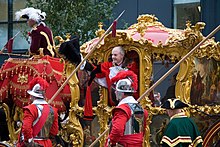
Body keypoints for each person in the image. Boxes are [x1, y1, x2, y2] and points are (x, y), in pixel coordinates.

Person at [105, 70, 148, 147]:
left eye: (116, 91)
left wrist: (112, 142)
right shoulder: (141, 108)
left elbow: (117, 130)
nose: (115, 93)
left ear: (121, 93)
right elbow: (143, 130)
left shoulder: (122, 109)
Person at [17, 77, 58, 147]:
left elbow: (26, 128)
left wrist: (29, 142)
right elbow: (54, 131)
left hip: (34, 144)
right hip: (47, 143)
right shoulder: (53, 110)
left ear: (33, 96)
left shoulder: (31, 109)